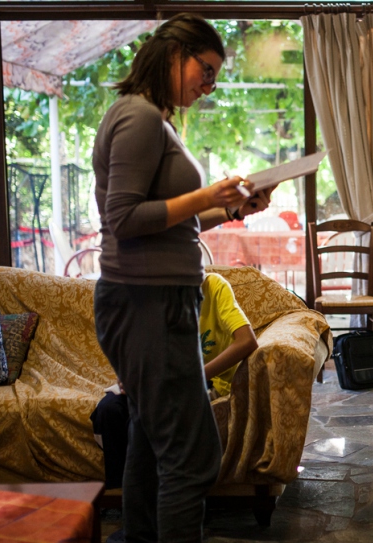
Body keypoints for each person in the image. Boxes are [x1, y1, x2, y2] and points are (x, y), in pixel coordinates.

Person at [91, 13, 272, 542]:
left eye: (216, 75)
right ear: (175, 54)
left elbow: (174, 220)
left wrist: (235, 210)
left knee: (152, 442)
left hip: (160, 300)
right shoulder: (139, 118)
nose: (209, 84)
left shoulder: (155, 120)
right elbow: (123, 219)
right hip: (146, 303)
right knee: (193, 457)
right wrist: (206, 194)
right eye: (206, 70)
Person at [91, 272, 259, 490]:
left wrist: (192, 377)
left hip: (204, 380)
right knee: (108, 411)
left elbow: (247, 341)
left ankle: (158, 498)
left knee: (151, 415)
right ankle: (123, 500)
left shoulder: (214, 286)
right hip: (160, 379)